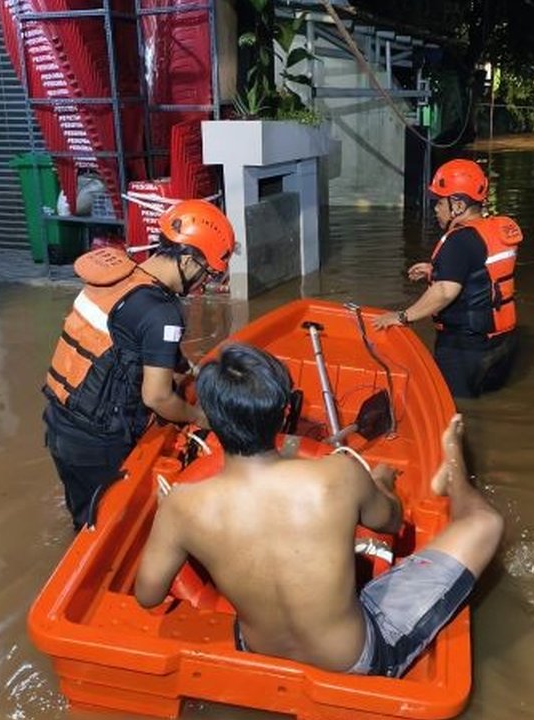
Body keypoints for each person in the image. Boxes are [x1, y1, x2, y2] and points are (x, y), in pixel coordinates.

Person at [135, 344, 503, 677]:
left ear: (211, 420)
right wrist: (381, 484)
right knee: (487, 522)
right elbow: (390, 521)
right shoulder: (339, 474)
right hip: (357, 661)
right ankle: (453, 470)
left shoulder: (181, 505)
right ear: (282, 415)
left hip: (258, 652)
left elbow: (148, 595)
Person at [43, 199, 235, 530]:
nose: (205, 285)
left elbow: (131, 343)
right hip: (97, 442)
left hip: (60, 421)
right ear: (189, 261)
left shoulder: (125, 274)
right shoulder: (162, 312)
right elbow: (157, 398)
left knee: (84, 515)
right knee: (109, 526)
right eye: (208, 274)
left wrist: (195, 372)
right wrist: (199, 416)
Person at [373, 159, 522, 399]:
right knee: (492, 403)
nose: (435, 209)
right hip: (502, 345)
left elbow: (445, 292)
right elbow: (481, 274)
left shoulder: (458, 241)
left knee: (452, 407)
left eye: (440, 202)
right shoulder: (492, 230)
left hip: (465, 348)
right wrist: (435, 270)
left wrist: (402, 317)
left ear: (459, 205)